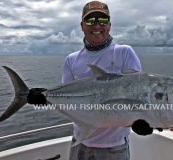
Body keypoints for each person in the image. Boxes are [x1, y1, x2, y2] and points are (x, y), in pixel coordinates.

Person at [27, 1, 154, 159]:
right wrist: (46, 97)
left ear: (109, 25)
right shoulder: (72, 60)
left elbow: (137, 96)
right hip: (80, 142)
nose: (96, 26)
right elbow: (68, 98)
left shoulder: (124, 53)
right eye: (90, 20)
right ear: (82, 25)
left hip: (113, 147)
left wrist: (140, 120)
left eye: (102, 20)